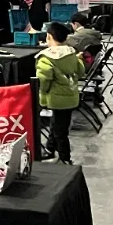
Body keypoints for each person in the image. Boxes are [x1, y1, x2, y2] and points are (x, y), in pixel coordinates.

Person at [37, 22, 86, 164]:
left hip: (55, 98)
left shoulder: (46, 57)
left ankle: (65, 158)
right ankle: (49, 148)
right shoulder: (72, 53)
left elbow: (43, 79)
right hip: (71, 96)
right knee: (57, 124)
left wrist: (43, 92)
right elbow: (81, 72)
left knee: (60, 131)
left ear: (48, 37)